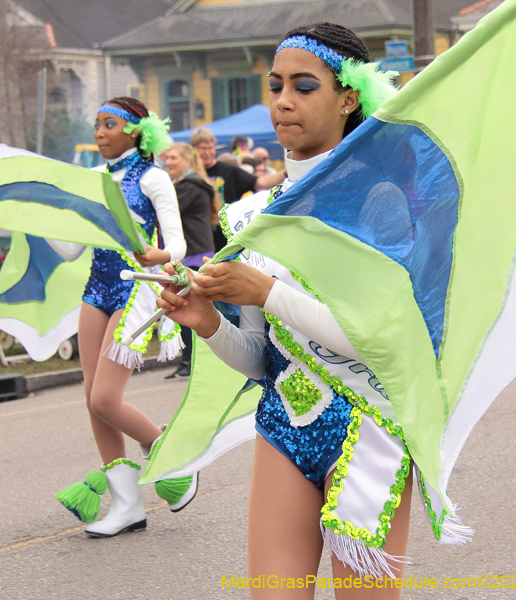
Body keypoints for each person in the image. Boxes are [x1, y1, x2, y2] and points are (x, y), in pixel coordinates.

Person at [156, 22, 413, 597]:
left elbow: (383, 340)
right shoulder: (252, 218)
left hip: (369, 430)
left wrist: (265, 292)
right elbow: (259, 359)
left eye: (304, 86)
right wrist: (204, 321)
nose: (283, 102)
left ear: (349, 97)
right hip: (284, 426)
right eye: (276, 86)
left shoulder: (380, 201)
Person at [61, 97, 196, 537]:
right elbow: (70, 248)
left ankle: (170, 454)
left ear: (136, 131)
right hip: (96, 287)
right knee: (91, 398)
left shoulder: (154, 177)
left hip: (135, 285)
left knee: (105, 399)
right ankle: (127, 505)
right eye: (96, 124)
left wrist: (159, 255)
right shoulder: (92, 179)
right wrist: (47, 219)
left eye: (109, 124)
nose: (99, 132)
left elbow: (175, 244)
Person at [162, 142, 215, 380]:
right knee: (183, 306)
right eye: (167, 158)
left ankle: (192, 362)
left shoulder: (190, 187)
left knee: (188, 306)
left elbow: (166, 210)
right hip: (187, 254)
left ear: (187, 161)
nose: (168, 162)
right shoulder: (183, 186)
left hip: (194, 255)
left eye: (173, 158)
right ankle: (189, 360)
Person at [190, 128, 286, 249]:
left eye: (211, 148)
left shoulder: (229, 171)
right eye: (203, 149)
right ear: (193, 149)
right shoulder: (190, 175)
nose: (207, 153)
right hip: (197, 242)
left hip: (226, 240)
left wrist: (286, 173)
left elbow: (261, 183)